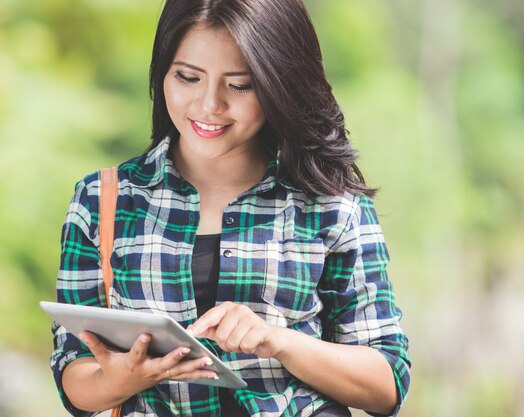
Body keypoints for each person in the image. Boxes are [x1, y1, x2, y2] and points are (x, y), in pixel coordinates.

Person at [50, 0, 411, 416]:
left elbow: (388, 383)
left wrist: (279, 340)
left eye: (240, 85)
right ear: (161, 73)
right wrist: (115, 381)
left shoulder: (332, 204)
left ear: (280, 84)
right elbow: (71, 368)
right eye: (187, 77)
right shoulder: (103, 199)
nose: (209, 105)